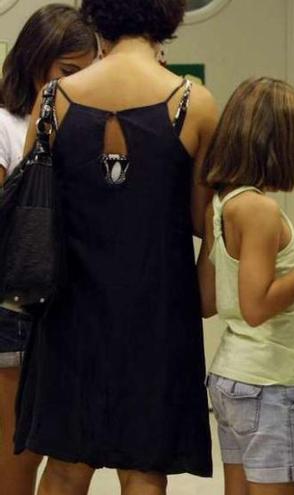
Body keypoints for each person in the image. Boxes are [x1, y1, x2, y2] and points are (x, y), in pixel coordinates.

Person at [13, 0, 219, 494]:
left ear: (96, 17)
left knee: (64, 465)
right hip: (158, 313)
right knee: (144, 468)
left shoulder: (52, 100)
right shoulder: (196, 103)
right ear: (170, 17)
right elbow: (200, 220)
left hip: (68, 308)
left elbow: (32, 206)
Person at [197, 77, 294, 495]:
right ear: (274, 143)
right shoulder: (261, 209)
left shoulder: (225, 200)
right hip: (274, 384)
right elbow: (257, 306)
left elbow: (210, 297)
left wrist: (291, 255)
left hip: (234, 376)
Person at [0, 5, 95, 495]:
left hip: (65, 311)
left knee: (66, 456)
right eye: (67, 72)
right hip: (15, 311)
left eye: (86, 74)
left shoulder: (76, 126)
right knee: (17, 455)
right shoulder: (5, 126)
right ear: (35, 62)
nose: (76, 85)